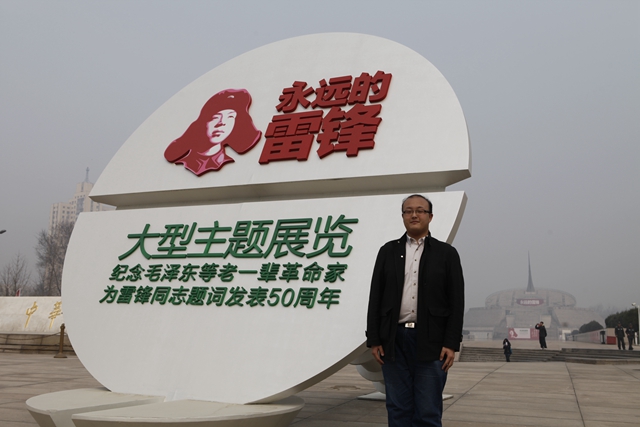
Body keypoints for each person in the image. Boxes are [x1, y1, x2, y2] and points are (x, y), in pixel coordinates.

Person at [366, 194, 465, 427]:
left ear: (430, 216)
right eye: (408, 211)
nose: (414, 215)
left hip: (432, 341)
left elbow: (456, 301)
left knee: (428, 411)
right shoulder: (388, 251)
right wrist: (374, 339)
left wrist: (451, 343)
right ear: (402, 216)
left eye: (420, 210)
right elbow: (375, 297)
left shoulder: (446, 253)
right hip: (394, 340)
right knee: (398, 408)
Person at [164, 89, 262, 176]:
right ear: (203, 122)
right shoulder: (185, 162)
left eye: (230, 117)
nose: (221, 123)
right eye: (216, 117)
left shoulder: (229, 164)